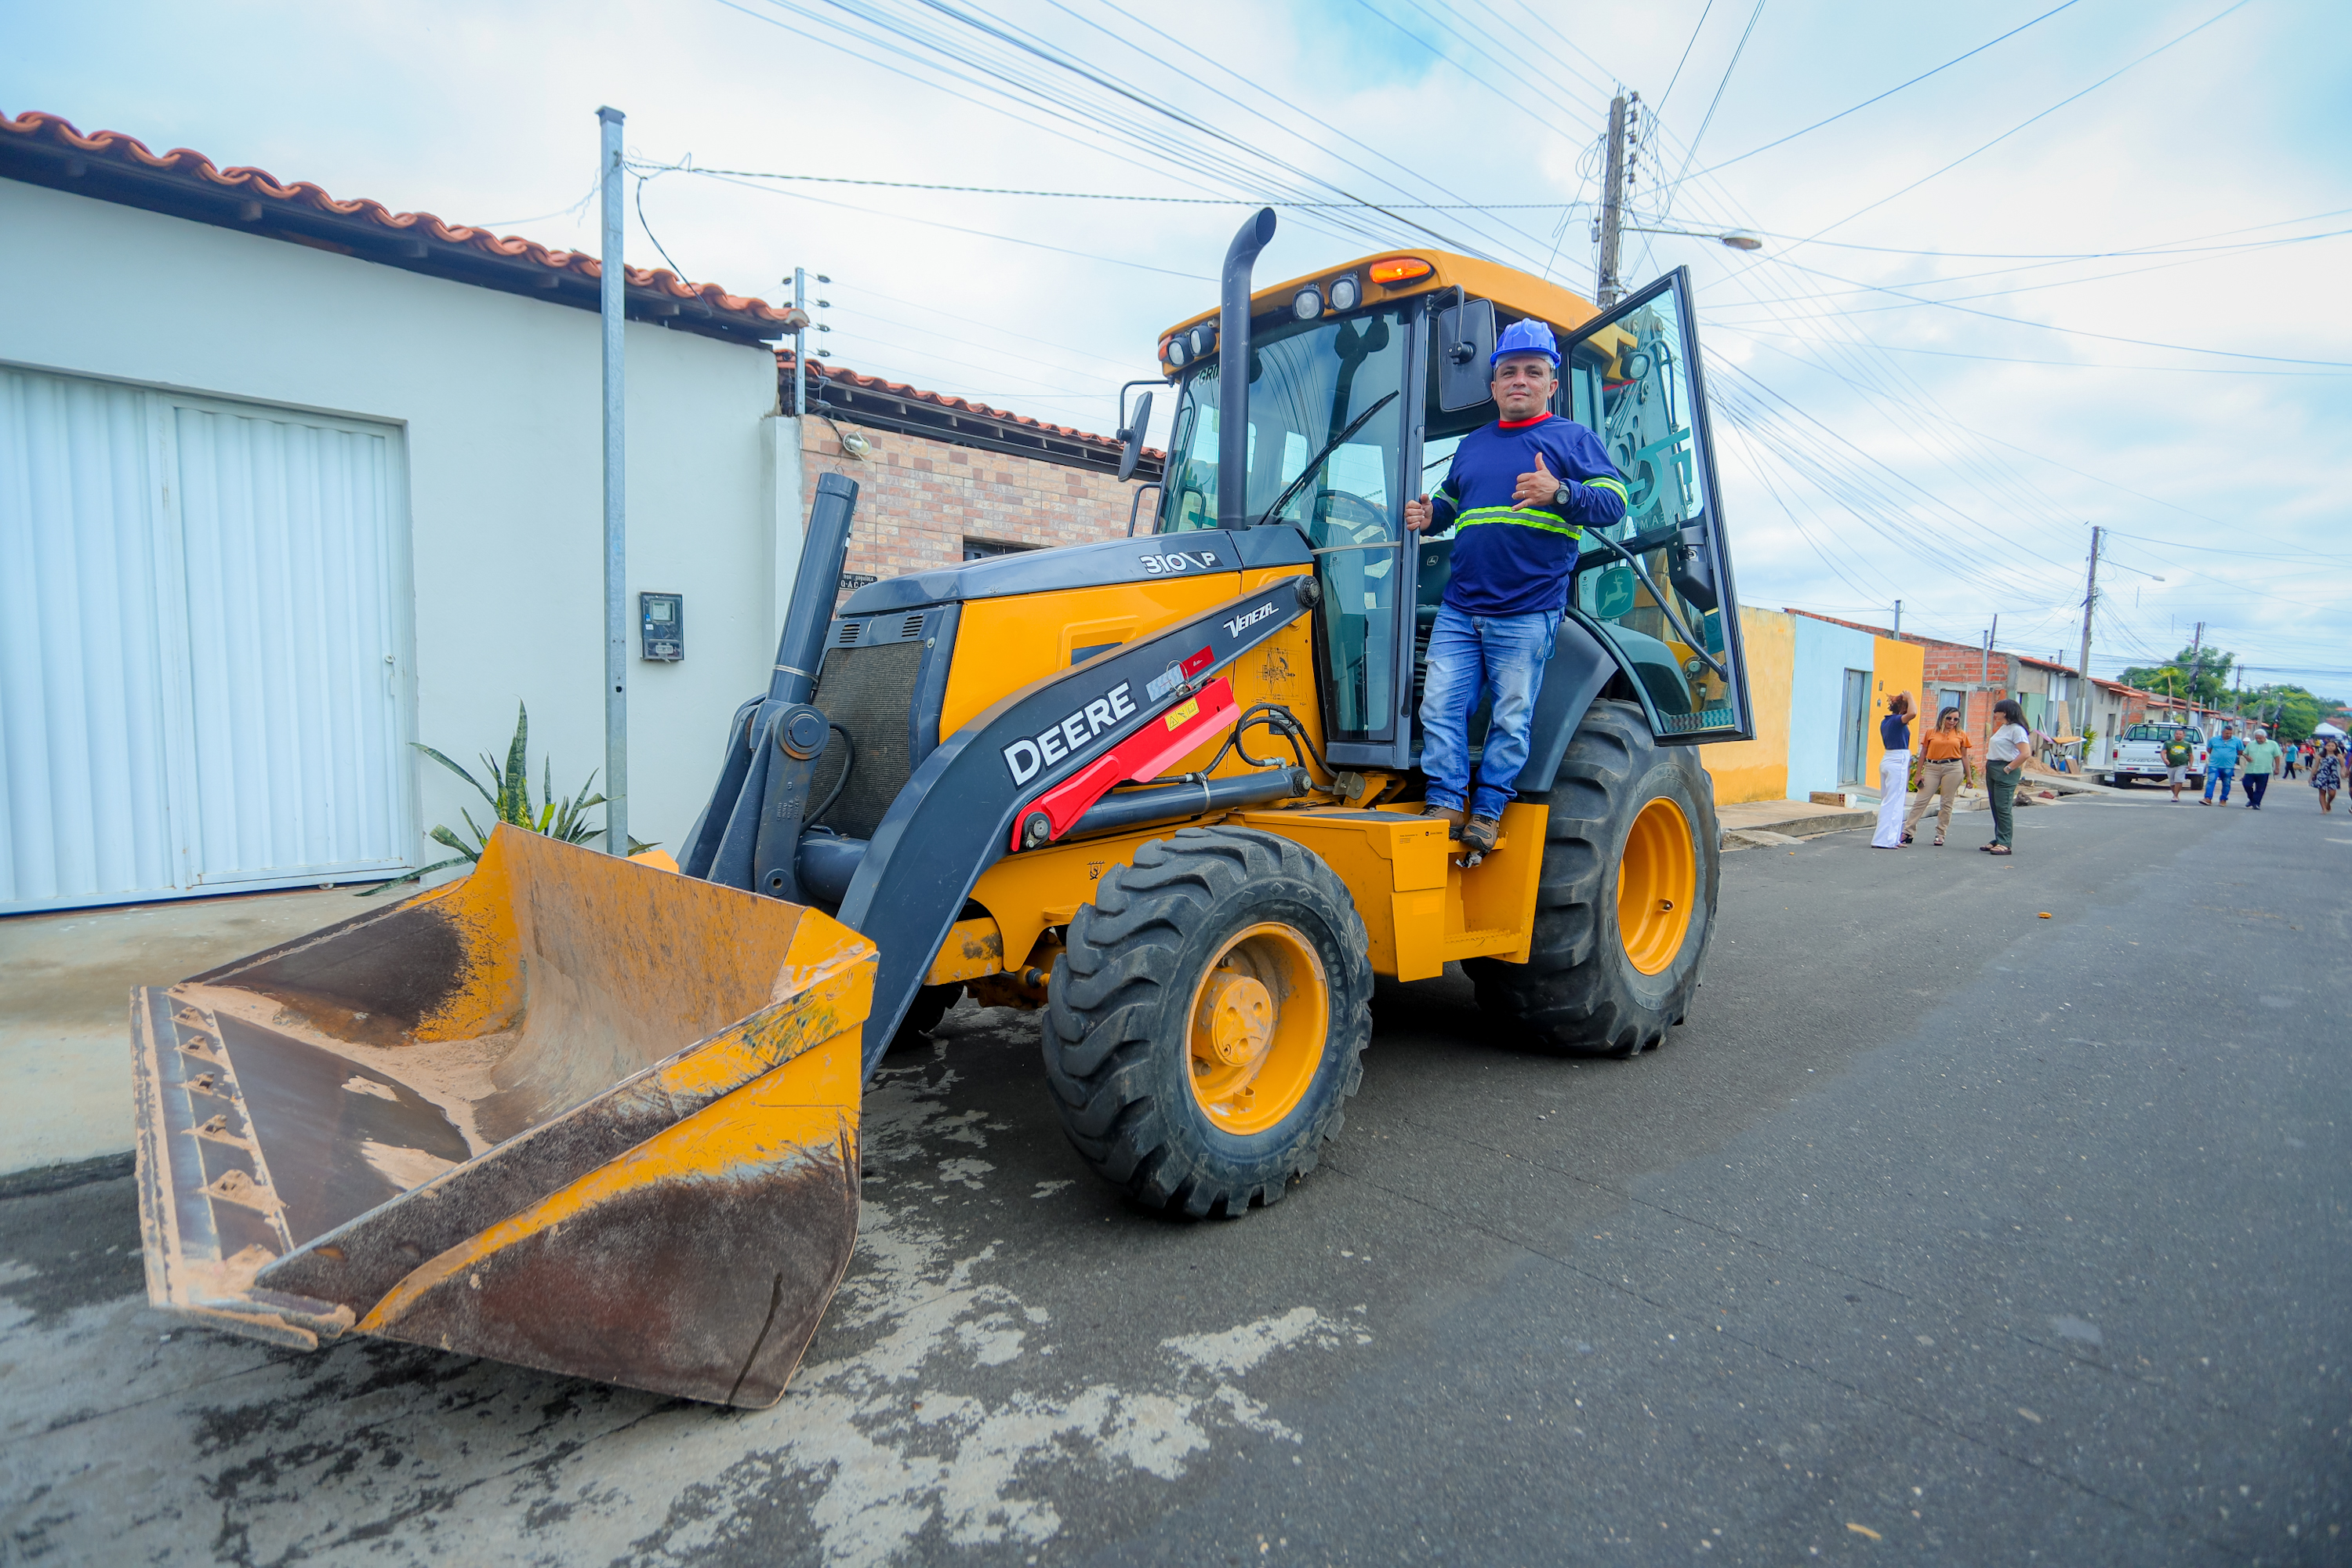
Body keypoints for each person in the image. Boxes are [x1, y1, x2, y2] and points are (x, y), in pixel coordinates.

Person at [1405, 318, 1628, 853]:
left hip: (1527, 610)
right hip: (1461, 607)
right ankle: (1446, 800)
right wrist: (1430, 513)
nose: (1520, 380)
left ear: (1552, 384)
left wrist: (1561, 492)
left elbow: (1615, 501)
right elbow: (1454, 504)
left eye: (1533, 371)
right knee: (1439, 706)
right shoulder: (1473, 446)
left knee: (1510, 714)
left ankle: (1487, 809)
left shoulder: (1572, 439)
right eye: (1509, 372)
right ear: (1494, 385)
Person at [1905, 706, 1975, 846]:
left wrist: (1969, 777)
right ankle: (1908, 831)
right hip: (1932, 767)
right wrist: (1918, 774)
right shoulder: (1931, 732)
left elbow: (1965, 756)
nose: (1952, 721)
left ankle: (1940, 834)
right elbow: (1923, 753)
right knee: (1921, 800)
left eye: (1955, 719)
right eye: (1949, 718)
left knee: (1946, 802)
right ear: (1942, 717)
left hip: (1953, 767)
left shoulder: (1961, 734)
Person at [1982, 699, 2030, 856]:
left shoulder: (2017, 730)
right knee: (1995, 805)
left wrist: (2009, 768)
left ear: (2006, 712)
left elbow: (2025, 753)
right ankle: (1999, 837)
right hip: (1993, 766)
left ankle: (2005, 842)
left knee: (2003, 807)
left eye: (1998, 710)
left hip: (2005, 768)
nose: (1995, 713)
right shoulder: (2004, 728)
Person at [1872, 692, 1915, 848]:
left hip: (1889, 759)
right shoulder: (1897, 721)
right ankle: (1885, 840)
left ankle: (1892, 838)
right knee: (1894, 802)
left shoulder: (1887, 721)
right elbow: (1913, 713)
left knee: (1890, 800)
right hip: (1897, 760)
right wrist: (1910, 697)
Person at [2238, 726, 2281, 811]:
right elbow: (2244, 753)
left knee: (2260, 788)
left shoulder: (2273, 744)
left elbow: (2277, 756)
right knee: (2246, 784)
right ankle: (2252, 799)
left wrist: (2277, 768)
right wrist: (2247, 757)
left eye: (2260, 738)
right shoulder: (2251, 744)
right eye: (2257, 738)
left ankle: (2256, 803)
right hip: (2251, 769)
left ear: (2265, 737)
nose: (2258, 740)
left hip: (2264, 769)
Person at [2202, 724, 2242, 804]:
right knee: (2211, 781)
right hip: (2214, 765)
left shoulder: (2237, 741)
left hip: (2228, 766)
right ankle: (2208, 798)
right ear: (2222, 732)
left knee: (2226, 783)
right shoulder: (2213, 740)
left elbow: (2240, 752)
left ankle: (2223, 799)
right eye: (2227, 733)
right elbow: (2209, 750)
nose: (2229, 735)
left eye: (2231, 733)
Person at [2162, 727, 2194, 802]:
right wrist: (2165, 759)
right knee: (2172, 782)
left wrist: (2190, 765)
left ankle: (2175, 796)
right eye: (2177, 734)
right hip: (2170, 765)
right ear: (2174, 735)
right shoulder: (2168, 743)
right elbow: (2163, 752)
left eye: (2180, 734)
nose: (2178, 735)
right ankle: (2175, 794)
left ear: (2184, 735)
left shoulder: (2187, 744)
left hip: (2182, 765)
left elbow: (2190, 755)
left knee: (2179, 780)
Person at [2313, 738, 2344, 814]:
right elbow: (2315, 767)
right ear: (2325, 747)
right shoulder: (2320, 756)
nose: (2330, 747)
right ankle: (2323, 808)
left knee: (2332, 793)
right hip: (2322, 775)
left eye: (2333, 746)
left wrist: (2343, 773)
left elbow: (2343, 766)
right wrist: (2311, 777)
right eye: (2329, 745)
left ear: (2336, 747)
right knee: (2322, 792)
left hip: (2333, 776)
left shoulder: (2339, 756)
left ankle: (2328, 803)